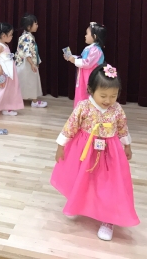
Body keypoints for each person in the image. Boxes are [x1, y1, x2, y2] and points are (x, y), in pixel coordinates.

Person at [51, 64, 139, 241]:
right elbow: (71, 126)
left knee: (110, 185)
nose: (108, 100)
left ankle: (108, 220)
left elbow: (122, 128)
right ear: (91, 90)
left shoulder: (117, 109)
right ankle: (79, 204)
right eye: (103, 96)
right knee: (84, 179)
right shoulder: (83, 107)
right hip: (85, 150)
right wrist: (61, 146)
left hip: (110, 153)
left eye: (113, 96)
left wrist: (127, 145)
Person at [64, 22, 106, 107]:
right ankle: (80, 111)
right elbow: (82, 58)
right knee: (82, 94)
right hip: (83, 77)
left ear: (94, 37)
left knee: (87, 95)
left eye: (87, 34)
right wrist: (72, 58)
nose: (85, 36)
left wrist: (74, 60)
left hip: (89, 78)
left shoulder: (96, 50)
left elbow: (87, 63)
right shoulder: (90, 48)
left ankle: (86, 112)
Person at [15, 13, 47, 108]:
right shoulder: (28, 37)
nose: (37, 25)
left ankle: (21, 98)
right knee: (31, 81)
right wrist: (32, 64)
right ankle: (34, 101)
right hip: (27, 64)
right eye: (35, 24)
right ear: (29, 26)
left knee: (25, 81)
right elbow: (27, 52)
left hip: (23, 63)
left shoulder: (25, 35)